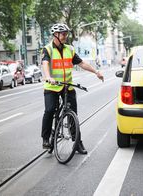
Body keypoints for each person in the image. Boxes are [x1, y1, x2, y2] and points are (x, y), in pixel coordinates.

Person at [41, 23, 104, 154]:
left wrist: (96, 72)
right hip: (52, 86)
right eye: (63, 34)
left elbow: (82, 63)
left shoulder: (69, 49)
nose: (65, 36)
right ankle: (46, 138)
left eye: (66, 33)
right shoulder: (47, 49)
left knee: (72, 114)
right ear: (56, 35)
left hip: (67, 86)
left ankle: (77, 142)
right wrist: (48, 76)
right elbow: (45, 64)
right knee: (50, 109)